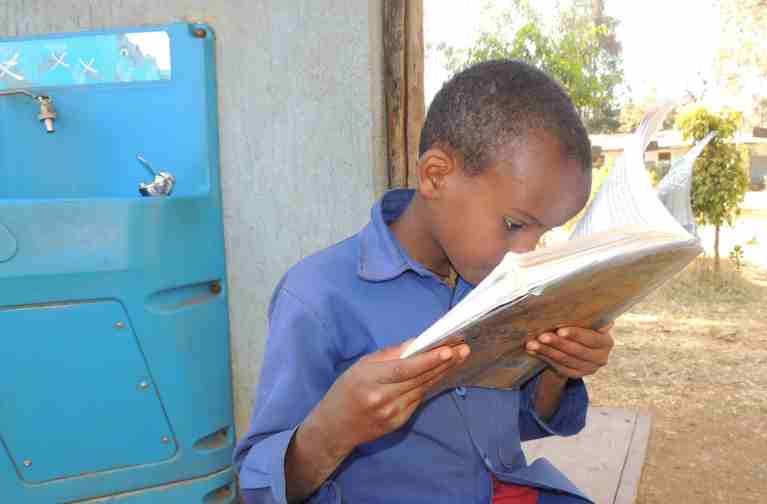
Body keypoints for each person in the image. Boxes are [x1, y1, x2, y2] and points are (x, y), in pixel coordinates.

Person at [234, 59, 615, 504]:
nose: (528, 251)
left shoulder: (500, 281)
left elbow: (510, 427)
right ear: (436, 175)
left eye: (544, 232)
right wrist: (331, 431)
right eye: (515, 224)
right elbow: (255, 490)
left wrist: (558, 369)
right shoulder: (317, 296)